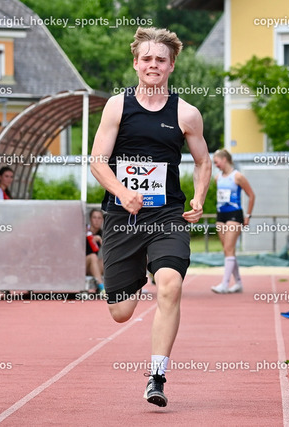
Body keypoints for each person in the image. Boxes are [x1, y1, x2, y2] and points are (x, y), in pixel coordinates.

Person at [90, 27, 211, 407]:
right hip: (122, 217)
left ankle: (156, 376)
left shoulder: (186, 113)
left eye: (160, 59)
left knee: (171, 286)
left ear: (171, 65)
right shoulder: (117, 106)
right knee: (121, 313)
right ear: (136, 63)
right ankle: (140, 269)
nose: (153, 65)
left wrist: (199, 197)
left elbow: (204, 160)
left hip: (167, 215)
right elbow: (97, 162)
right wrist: (123, 192)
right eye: (147, 59)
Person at [211, 149, 255, 294]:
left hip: (234, 215)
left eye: (217, 162)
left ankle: (224, 284)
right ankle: (239, 283)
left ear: (225, 159)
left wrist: (248, 215)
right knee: (227, 250)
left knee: (229, 248)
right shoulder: (217, 178)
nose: (216, 165)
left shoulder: (238, 177)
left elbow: (251, 195)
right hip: (221, 215)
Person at [86, 208, 105, 295]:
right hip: (81, 265)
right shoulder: (84, 230)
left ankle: (121, 287)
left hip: (93, 266)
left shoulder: (102, 234)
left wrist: (103, 242)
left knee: (107, 261)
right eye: (94, 218)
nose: (97, 220)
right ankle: (102, 287)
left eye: (99, 218)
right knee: (93, 256)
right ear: (90, 219)